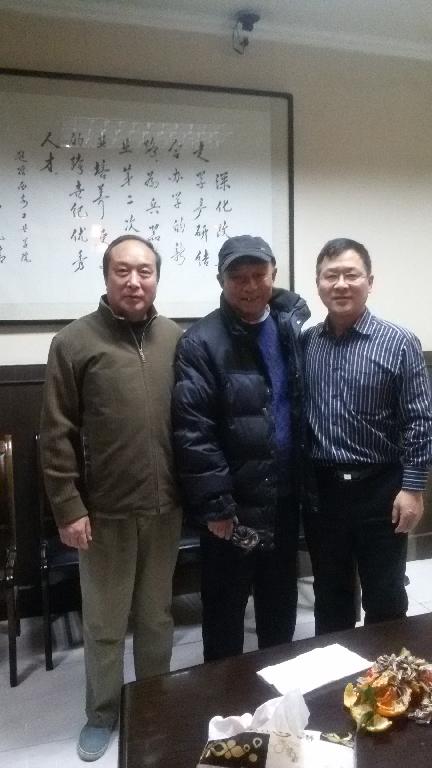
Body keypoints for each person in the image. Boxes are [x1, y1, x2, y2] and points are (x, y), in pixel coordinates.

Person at [40, 234, 183, 762]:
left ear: (157, 277)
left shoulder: (175, 339)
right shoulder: (74, 342)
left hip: (166, 508)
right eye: (123, 270)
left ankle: (153, 703)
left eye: (145, 271)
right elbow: (56, 433)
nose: (134, 281)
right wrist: (68, 506)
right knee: (103, 623)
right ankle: (102, 714)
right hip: (102, 514)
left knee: (157, 617)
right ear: (106, 277)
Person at [172, 234, 310, 661]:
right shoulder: (200, 341)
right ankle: (224, 695)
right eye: (238, 277)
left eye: (258, 275)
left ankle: (278, 690)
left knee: (279, 606)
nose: (249, 286)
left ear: (274, 275)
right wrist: (215, 506)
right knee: (224, 613)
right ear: (221, 280)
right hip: (232, 508)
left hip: (283, 498)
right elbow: (194, 430)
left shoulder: (291, 328)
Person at [303, 237, 432, 635]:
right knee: (330, 593)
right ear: (319, 283)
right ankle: (334, 669)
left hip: (381, 489)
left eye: (351, 274)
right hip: (324, 491)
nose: (341, 284)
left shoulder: (399, 342)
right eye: (331, 276)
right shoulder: (307, 343)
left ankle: (386, 671)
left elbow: (420, 420)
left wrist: (413, 488)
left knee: (385, 594)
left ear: (369, 282)